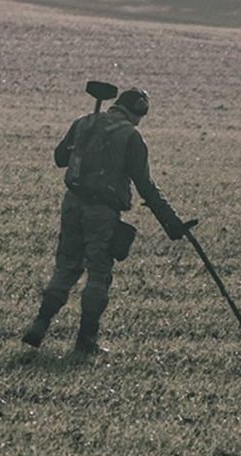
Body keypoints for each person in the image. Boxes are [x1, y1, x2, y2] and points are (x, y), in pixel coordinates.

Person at [22, 88, 188, 354]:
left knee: (66, 266)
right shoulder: (131, 136)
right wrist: (171, 222)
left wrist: (87, 143)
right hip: (102, 212)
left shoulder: (85, 122)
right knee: (98, 273)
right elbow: (145, 185)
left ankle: (40, 324)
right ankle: (86, 341)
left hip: (72, 204)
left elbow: (59, 158)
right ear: (138, 112)